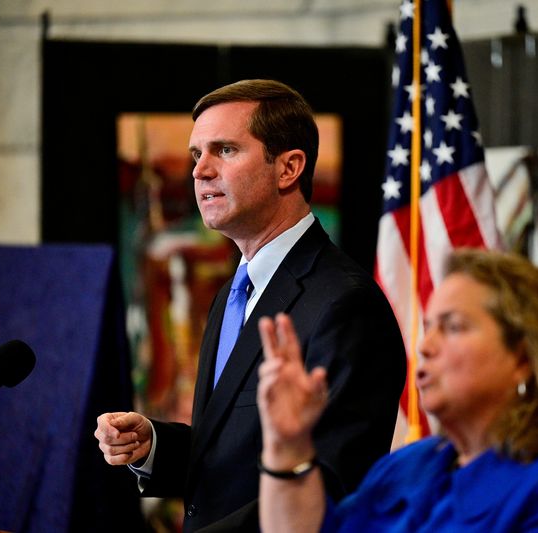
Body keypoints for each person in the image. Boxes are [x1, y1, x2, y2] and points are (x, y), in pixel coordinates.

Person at [94, 79, 406, 532]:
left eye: (224, 150)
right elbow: (232, 452)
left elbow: (332, 486)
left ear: (288, 168)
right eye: (196, 154)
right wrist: (155, 446)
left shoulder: (345, 304)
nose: (200, 171)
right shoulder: (234, 292)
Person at [257, 249, 538, 532]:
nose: (424, 346)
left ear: (527, 355)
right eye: (428, 326)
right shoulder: (410, 466)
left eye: (452, 327)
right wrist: (288, 446)